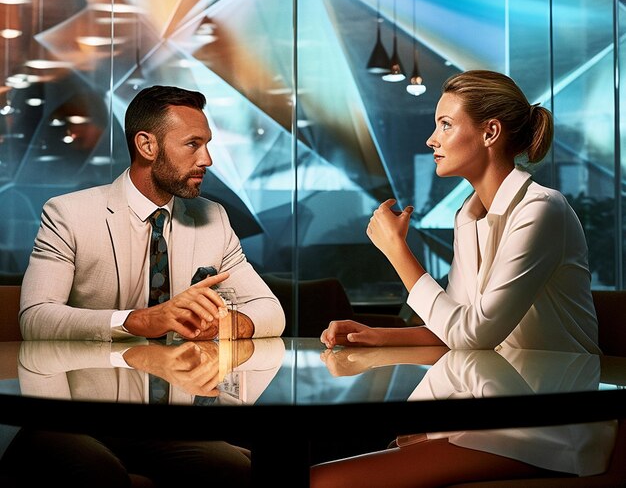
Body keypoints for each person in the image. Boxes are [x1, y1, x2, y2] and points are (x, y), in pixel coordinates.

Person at [312, 69, 600, 487]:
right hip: (487, 406)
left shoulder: (542, 210)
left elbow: (474, 333)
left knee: (323, 481)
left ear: (490, 132)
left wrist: (398, 252)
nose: (432, 139)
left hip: (547, 423)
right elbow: (457, 326)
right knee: (337, 464)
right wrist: (377, 335)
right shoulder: (469, 215)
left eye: (445, 124)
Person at [11, 84, 286, 487]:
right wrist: (138, 321)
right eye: (193, 144)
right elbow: (35, 318)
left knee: (243, 473)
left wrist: (224, 324)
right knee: (100, 474)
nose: (207, 159)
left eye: (207, 144)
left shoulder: (214, 218)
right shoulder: (69, 214)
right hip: (74, 415)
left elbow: (271, 310)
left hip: (167, 422)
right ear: (147, 145)